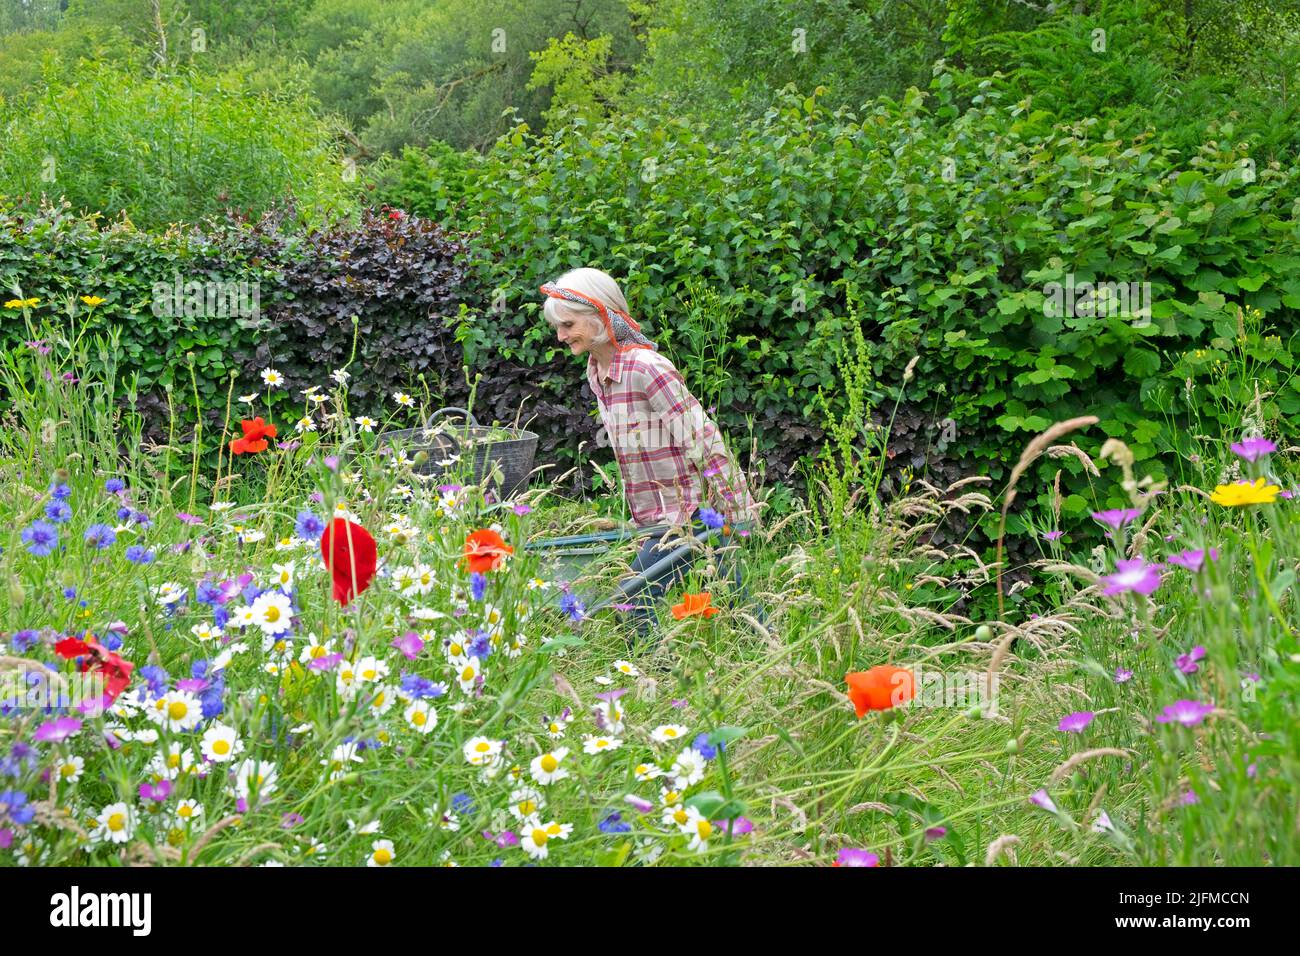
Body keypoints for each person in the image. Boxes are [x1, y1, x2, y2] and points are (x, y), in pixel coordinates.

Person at [540, 267, 762, 645]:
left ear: (599, 317)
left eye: (568, 324)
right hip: (658, 514)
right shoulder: (598, 371)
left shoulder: (647, 368)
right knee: (738, 602)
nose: (560, 336)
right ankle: (762, 658)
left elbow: (703, 439)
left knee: (633, 600)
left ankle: (655, 681)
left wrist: (739, 509)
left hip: (691, 511)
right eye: (558, 327)